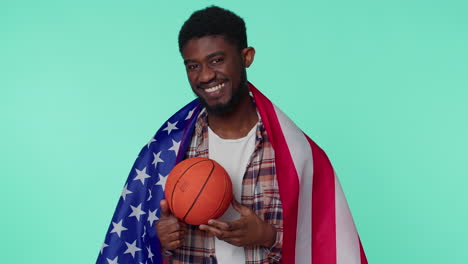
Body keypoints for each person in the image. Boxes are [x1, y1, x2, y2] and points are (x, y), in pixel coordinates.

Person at [97, 6, 367, 264]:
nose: (205, 76)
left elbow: (324, 243)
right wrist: (160, 238)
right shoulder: (165, 151)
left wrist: (268, 236)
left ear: (246, 56)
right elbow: (131, 243)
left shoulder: (297, 154)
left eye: (216, 60)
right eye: (193, 66)